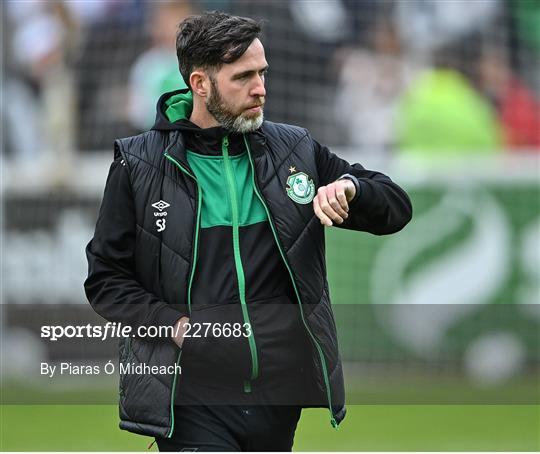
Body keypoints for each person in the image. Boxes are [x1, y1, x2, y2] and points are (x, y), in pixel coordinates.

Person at [84, 11, 412, 452]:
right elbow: (105, 280)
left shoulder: (294, 150)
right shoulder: (139, 165)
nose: (260, 88)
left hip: (279, 402)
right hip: (192, 401)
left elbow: (395, 207)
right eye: (243, 77)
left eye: (262, 73)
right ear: (200, 84)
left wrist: (352, 189)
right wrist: (174, 325)